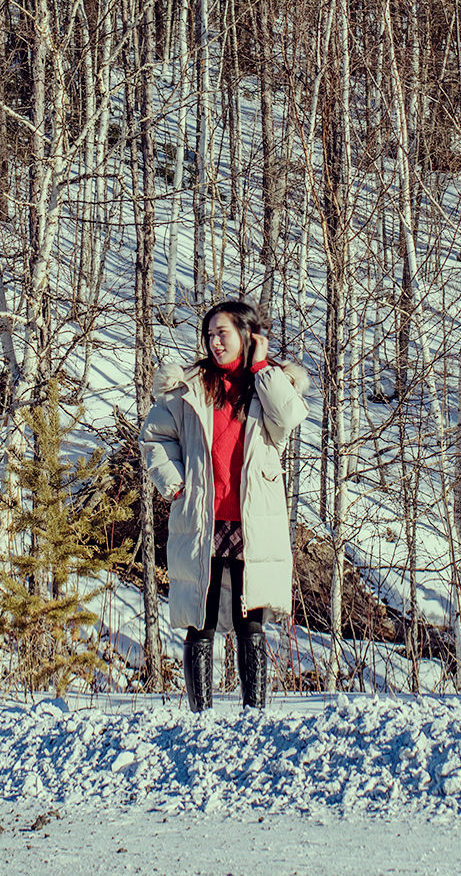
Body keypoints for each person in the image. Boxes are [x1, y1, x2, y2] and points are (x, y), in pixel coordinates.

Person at [139, 299, 309, 711]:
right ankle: (201, 716)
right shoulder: (188, 386)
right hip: (203, 515)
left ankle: (256, 713)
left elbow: (288, 418)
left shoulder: (270, 385)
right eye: (210, 335)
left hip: (253, 520)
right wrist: (176, 484)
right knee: (201, 618)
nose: (215, 343)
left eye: (223, 334)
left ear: (247, 337)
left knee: (251, 620)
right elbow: (154, 438)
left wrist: (262, 367)